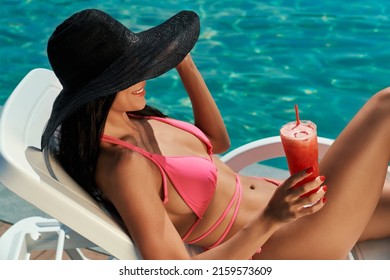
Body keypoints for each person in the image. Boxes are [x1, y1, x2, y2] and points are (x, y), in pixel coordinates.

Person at [41, 8, 390, 260]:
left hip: (297, 204)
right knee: (385, 106)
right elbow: (174, 272)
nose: (143, 76)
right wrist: (272, 218)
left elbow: (218, 143)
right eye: (130, 70)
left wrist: (184, 64)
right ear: (98, 88)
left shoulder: (135, 117)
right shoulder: (125, 166)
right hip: (287, 239)